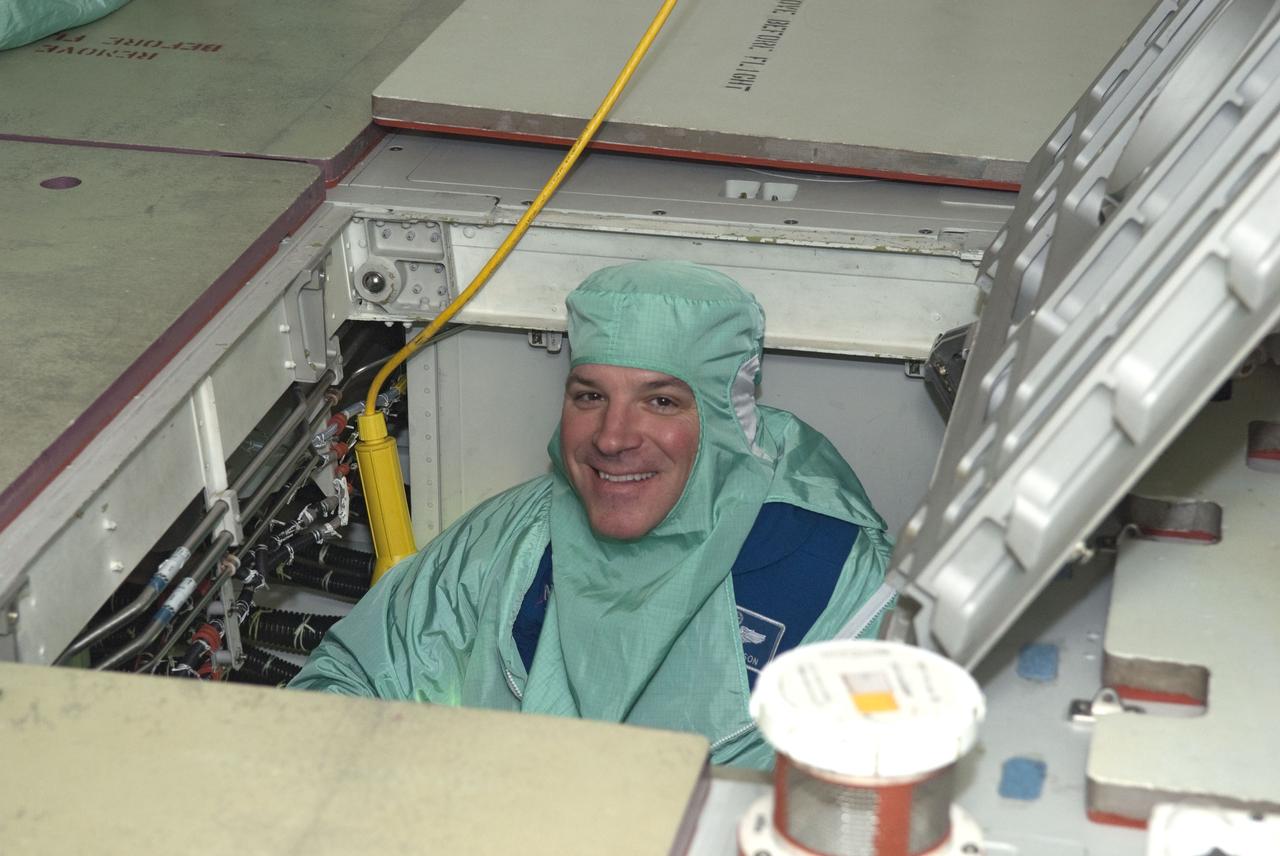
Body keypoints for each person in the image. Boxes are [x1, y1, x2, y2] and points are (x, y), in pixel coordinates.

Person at [291, 260, 892, 768]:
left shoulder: (840, 581)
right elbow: (352, 684)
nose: (612, 438)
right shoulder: (514, 536)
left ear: (728, 422)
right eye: (590, 396)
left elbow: (879, 804)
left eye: (661, 401)